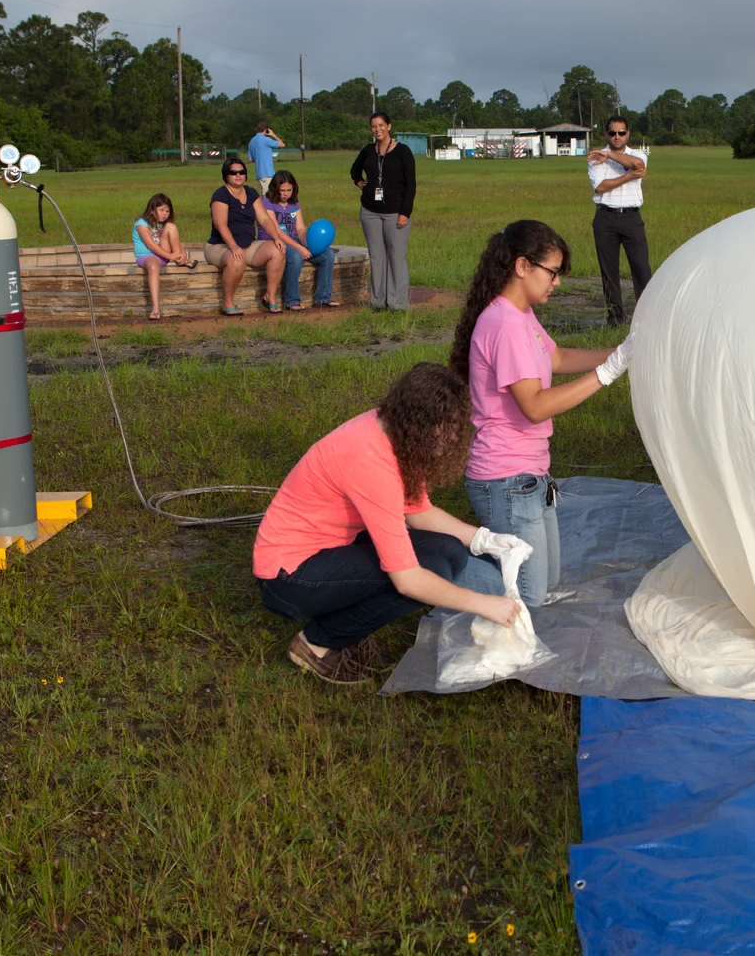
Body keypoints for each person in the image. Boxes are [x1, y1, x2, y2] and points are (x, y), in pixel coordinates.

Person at [255, 362, 533, 684]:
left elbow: (420, 513)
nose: (454, 438)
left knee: (451, 553)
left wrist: (485, 539)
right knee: (428, 577)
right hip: (289, 577)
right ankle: (317, 641)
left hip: (326, 549)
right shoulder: (372, 464)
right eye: (447, 429)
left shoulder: (392, 431)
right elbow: (408, 580)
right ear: (421, 424)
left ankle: (337, 617)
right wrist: (486, 605)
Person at [450, 221, 633, 606]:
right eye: (552, 272)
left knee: (545, 582)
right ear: (522, 266)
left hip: (529, 474)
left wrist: (622, 353)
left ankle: (492, 570)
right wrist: (606, 374)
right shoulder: (504, 325)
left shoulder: (521, 316)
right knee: (530, 595)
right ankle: (432, 570)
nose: (557, 283)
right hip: (505, 479)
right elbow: (534, 405)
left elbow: (558, 357)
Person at [586, 114, 650, 327]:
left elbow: (638, 164)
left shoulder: (636, 153)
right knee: (609, 272)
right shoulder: (596, 157)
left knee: (641, 269)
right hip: (605, 217)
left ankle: (645, 319)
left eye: (621, 132)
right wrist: (627, 176)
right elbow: (600, 187)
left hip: (632, 217)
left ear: (627, 134)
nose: (617, 137)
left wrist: (610, 156)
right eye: (612, 133)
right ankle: (615, 320)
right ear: (606, 134)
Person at [350, 112, 415, 311]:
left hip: (395, 213)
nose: (377, 129)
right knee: (377, 257)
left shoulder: (403, 151)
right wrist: (359, 182)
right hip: (370, 211)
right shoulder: (369, 150)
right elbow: (354, 169)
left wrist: (405, 212)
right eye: (373, 126)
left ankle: (397, 304)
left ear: (389, 126)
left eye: (381, 125)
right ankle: (378, 302)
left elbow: (411, 185)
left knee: (396, 256)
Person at [208, 159, 285, 314]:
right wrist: (234, 247)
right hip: (220, 246)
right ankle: (227, 302)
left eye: (241, 172)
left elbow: (264, 219)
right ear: (226, 175)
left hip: (248, 244)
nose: (238, 175)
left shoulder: (251, 193)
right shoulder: (221, 195)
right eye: (233, 172)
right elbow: (220, 224)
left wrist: (276, 237)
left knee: (279, 250)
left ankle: (269, 296)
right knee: (237, 259)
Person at [260, 169, 339, 310]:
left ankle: (323, 297)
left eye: (289, 190)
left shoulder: (294, 205)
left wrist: (307, 244)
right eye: (282, 190)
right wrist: (299, 248)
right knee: (295, 257)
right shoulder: (267, 203)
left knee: (328, 255)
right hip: (273, 242)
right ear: (275, 189)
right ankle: (292, 300)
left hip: (293, 241)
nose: (285, 194)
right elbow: (277, 231)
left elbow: (301, 229)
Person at [132, 192, 193, 321]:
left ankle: (181, 260)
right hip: (146, 256)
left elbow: (174, 241)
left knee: (171, 226)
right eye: (161, 210)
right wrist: (171, 256)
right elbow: (151, 245)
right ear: (152, 210)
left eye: (167, 211)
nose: (164, 214)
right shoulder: (141, 222)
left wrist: (182, 253)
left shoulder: (165, 223)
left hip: (164, 254)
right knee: (153, 265)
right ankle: (155, 307)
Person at [247, 121, 284, 195]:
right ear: (266, 130)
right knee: (268, 198)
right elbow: (282, 144)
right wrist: (273, 135)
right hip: (268, 173)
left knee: (266, 195)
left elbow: (250, 159)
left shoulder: (252, 141)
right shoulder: (266, 140)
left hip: (259, 174)